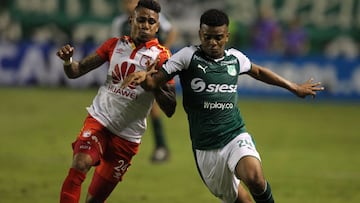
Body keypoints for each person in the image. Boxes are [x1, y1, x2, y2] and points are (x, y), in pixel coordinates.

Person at [121, 9, 324, 203]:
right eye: (207, 36)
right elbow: (155, 82)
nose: (212, 42)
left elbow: (260, 72)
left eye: (218, 37)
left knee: (255, 177)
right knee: (240, 200)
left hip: (234, 134)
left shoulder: (235, 58)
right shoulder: (187, 56)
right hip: (205, 148)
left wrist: (295, 88)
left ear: (226, 36)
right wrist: (145, 76)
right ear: (200, 34)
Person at [56, 0, 176, 202]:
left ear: (157, 27)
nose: (145, 25)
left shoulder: (162, 58)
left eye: (151, 22)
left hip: (127, 137)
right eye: (141, 20)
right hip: (99, 121)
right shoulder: (114, 45)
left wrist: (151, 82)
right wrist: (68, 61)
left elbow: (171, 107)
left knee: (95, 199)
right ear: (132, 20)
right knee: (80, 163)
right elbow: (76, 71)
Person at [111, 0, 178, 163]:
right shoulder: (119, 23)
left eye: (132, 2)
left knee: (152, 107)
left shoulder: (152, 17)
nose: (129, 5)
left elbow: (172, 31)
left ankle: (161, 147)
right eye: (126, 2)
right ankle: (115, 147)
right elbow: (116, 46)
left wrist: (163, 53)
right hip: (129, 69)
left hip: (151, 67)